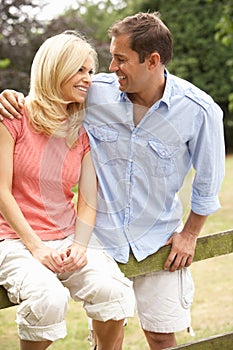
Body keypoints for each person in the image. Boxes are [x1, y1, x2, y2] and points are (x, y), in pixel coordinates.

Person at [0, 12, 225, 350]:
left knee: (162, 337)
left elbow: (208, 183)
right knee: (93, 319)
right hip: (100, 239)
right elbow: (48, 92)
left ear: (152, 61)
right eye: (108, 58)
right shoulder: (94, 93)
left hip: (157, 238)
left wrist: (190, 234)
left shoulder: (199, 110)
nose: (108, 69)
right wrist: (10, 95)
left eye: (120, 59)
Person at [0, 31, 135, 350]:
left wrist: (79, 245)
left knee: (115, 292)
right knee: (49, 299)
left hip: (66, 235)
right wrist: (37, 248)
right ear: (55, 68)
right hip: (14, 240)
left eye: (90, 71)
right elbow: (1, 191)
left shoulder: (81, 130)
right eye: (79, 70)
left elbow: (88, 199)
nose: (88, 78)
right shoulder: (13, 118)